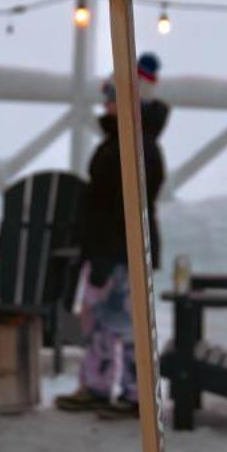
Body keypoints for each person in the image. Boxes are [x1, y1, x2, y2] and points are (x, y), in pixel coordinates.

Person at [56, 52, 168, 418]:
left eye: (113, 98)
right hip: (107, 247)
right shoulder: (125, 140)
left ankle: (136, 394)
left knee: (126, 322)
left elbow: (124, 206)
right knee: (99, 321)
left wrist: (107, 251)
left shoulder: (136, 145)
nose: (106, 105)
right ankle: (98, 385)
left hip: (120, 249)